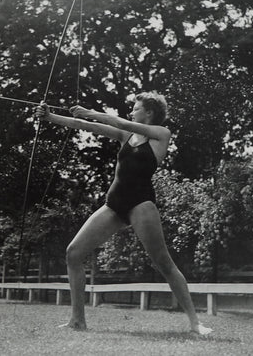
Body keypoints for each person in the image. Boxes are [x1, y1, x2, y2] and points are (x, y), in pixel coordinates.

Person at [35, 92, 212, 335]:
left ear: (148, 112)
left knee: (164, 264)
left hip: (141, 205)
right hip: (114, 204)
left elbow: (119, 121)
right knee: (73, 253)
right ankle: (78, 320)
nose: (131, 111)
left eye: (136, 108)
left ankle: (195, 323)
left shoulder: (162, 134)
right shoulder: (126, 136)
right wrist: (50, 117)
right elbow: (86, 125)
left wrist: (90, 111)